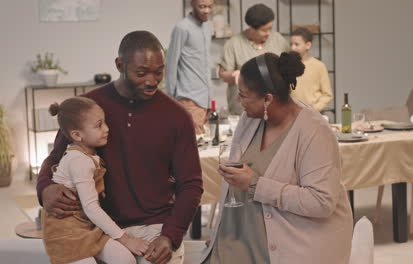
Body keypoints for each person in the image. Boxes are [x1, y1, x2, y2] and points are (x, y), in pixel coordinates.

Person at [37, 31, 203, 264]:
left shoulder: (177, 117)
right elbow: (54, 159)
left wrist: (170, 236)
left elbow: (192, 184)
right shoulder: (87, 108)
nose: (152, 81)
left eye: (159, 72)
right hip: (98, 229)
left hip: (156, 228)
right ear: (119, 65)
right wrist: (44, 188)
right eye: (141, 73)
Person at [201, 52, 353, 263]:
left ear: (268, 99)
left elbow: (322, 202)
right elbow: (233, 191)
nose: (238, 100)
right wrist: (220, 231)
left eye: (243, 95)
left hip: (291, 248)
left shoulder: (314, 131)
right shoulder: (250, 119)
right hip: (238, 243)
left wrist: (255, 184)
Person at [42, 97, 148, 264]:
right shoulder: (79, 161)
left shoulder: (90, 155)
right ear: (77, 135)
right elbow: (91, 207)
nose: (106, 129)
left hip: (87, 226)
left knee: (125, 259)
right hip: (65, 232)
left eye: (105, 122)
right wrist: (126, 239)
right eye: (99, 125)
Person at [218, 3, 289, 115]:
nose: (268, 33)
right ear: (251, 28)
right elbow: (222, 74)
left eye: (270, 28)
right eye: (264, 30)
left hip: (275, 108)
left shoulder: (278, 40)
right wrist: (235, 74)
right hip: (244, 111)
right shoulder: (234, 44)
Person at [166, 0, 214, 134]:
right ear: (192, 4)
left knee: (205, 145)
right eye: (202, 6)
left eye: (210, 6)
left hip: (206, 99)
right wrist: (170, 99)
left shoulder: (208, 27)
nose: (206, 11)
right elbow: (171, 63)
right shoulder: (182, 28)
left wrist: (211, 99)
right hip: (189, 97)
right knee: (193, 145)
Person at [290, 27, 333, 112]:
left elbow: (327, 94)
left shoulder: (319, 66)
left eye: (296, 44)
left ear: (308, 45)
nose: (292, 48)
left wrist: (315, 108)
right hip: (292, 114)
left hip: (314, 114)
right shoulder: (287, 66)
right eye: (291, 44)